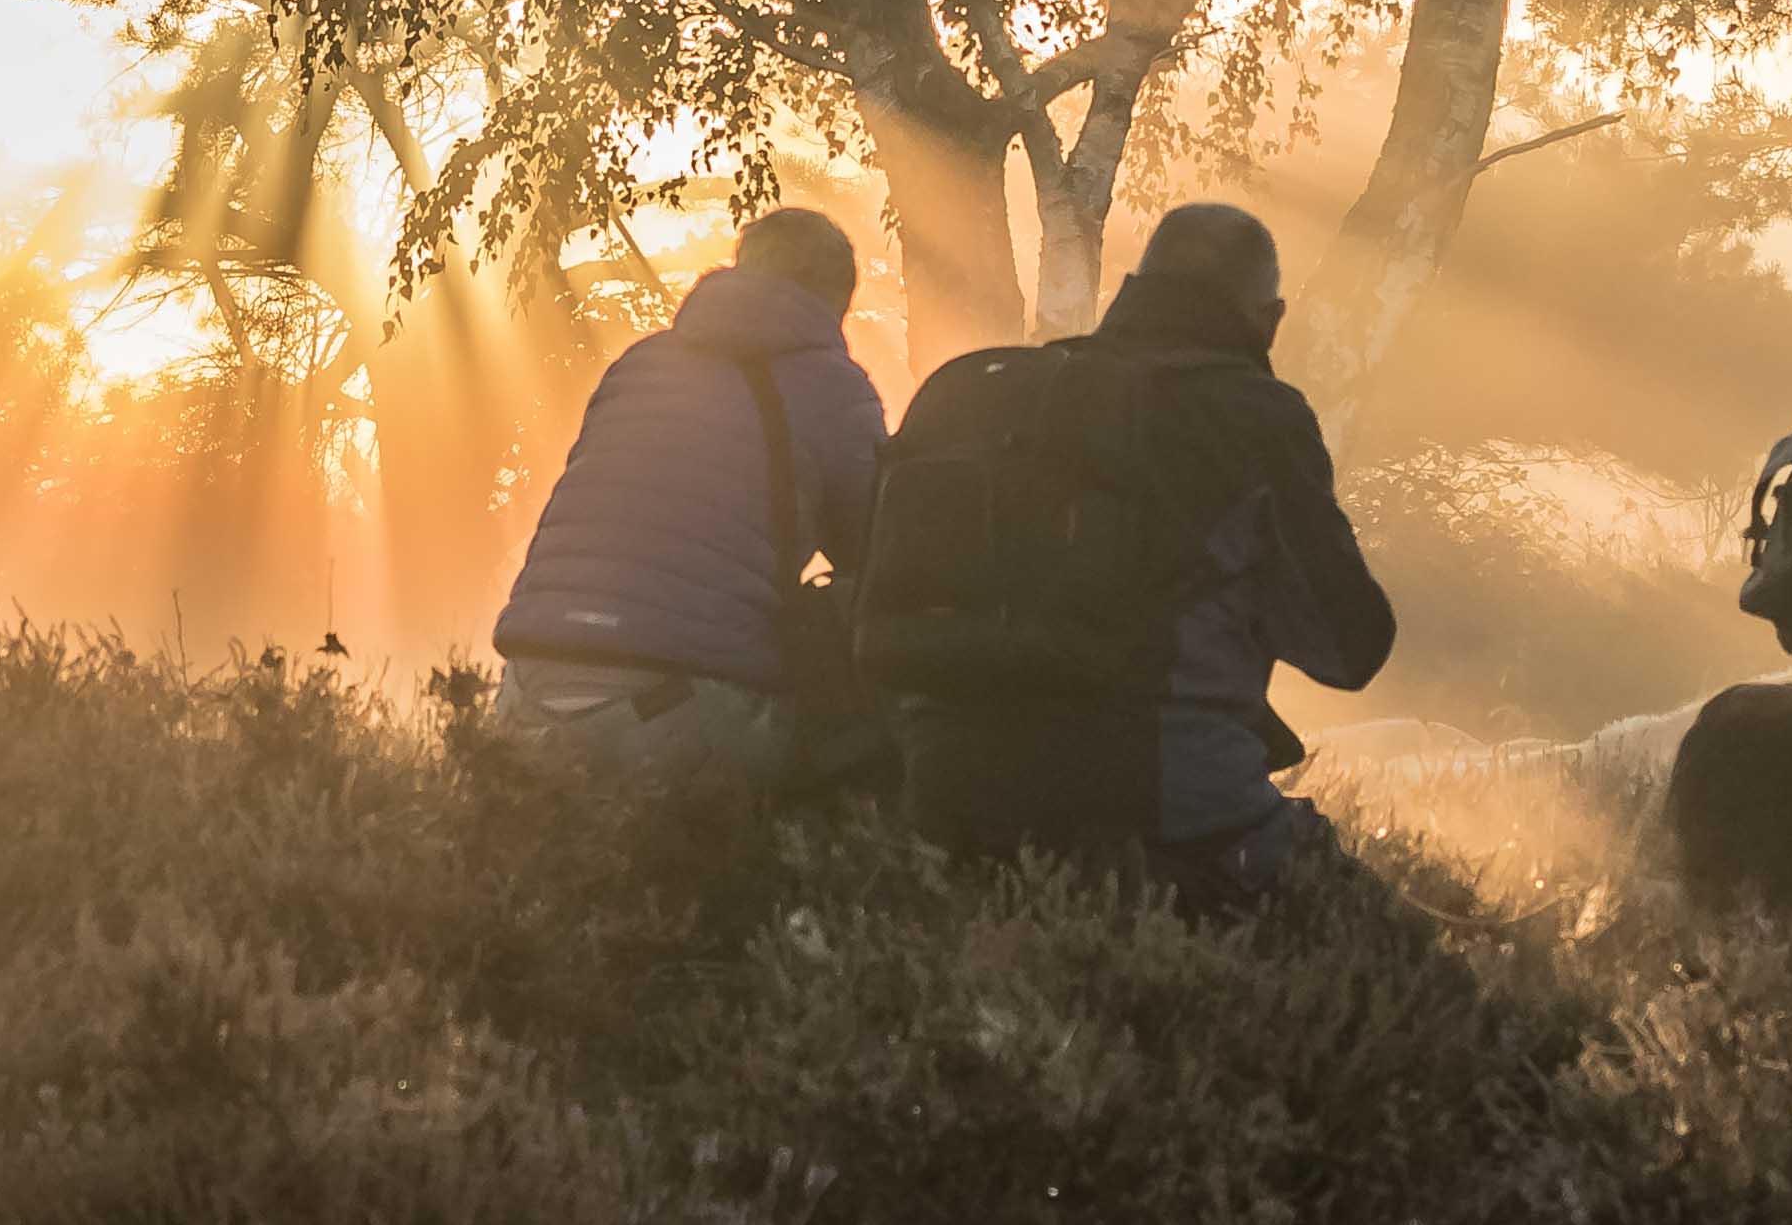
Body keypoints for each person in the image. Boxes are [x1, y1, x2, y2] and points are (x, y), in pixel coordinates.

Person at [883, 201, 1401, 916]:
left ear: (1133, 287)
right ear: (1269, 318)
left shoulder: (972, 395)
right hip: (1166, 816)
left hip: (945, 803)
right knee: (1415, 967)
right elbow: (1350, 650)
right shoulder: (1251, 417)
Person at [487, 207, 888, 794]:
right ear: (834, 300)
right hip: (677, 707)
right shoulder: (830, 381)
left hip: (525, 694)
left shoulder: (638, 363)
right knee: (859, 748)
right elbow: (880, 556)